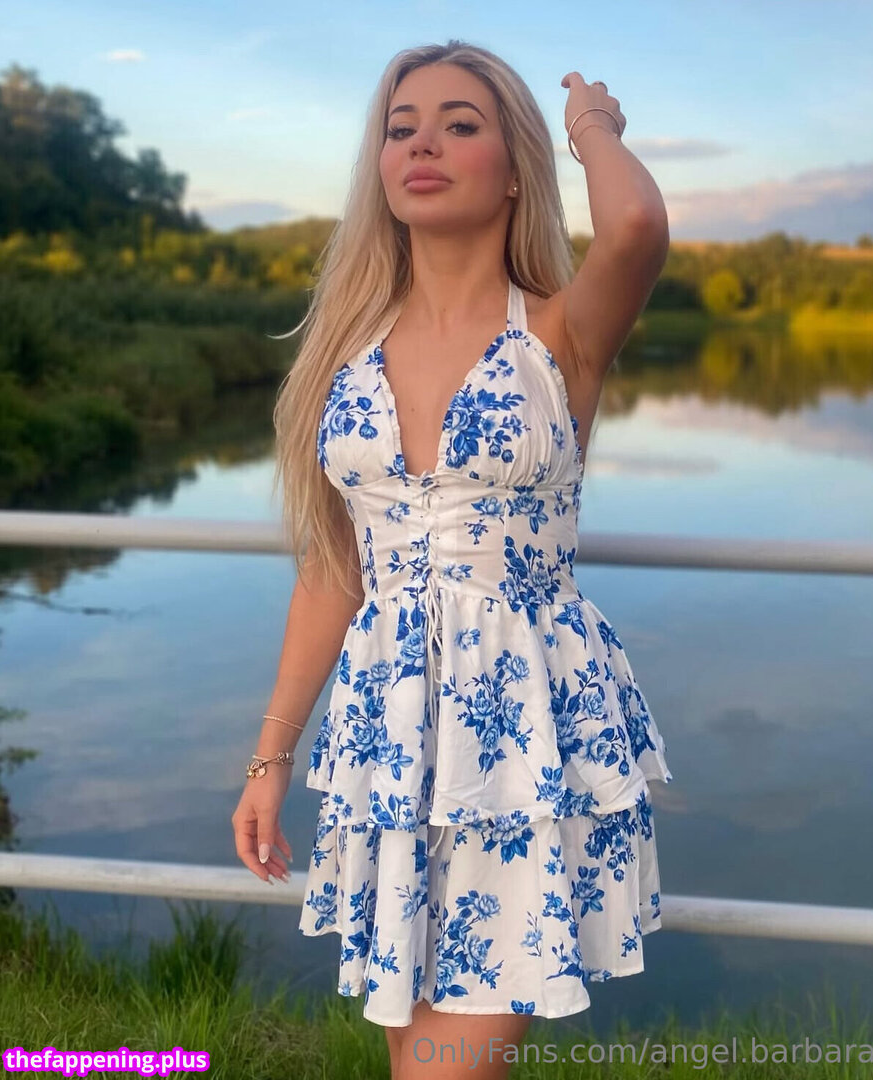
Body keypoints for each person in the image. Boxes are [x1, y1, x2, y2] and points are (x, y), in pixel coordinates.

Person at [232, 39, 672, 1080]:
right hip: (388, 739)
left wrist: (590, 125)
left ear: (513, 168)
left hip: (521, 736)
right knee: (420, 1057)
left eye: (458, 124)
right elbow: (334, 572)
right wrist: (270, 757)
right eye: (401, 128)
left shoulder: (559, 332)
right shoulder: (344, 353)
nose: (421, 143)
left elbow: (635, 228)